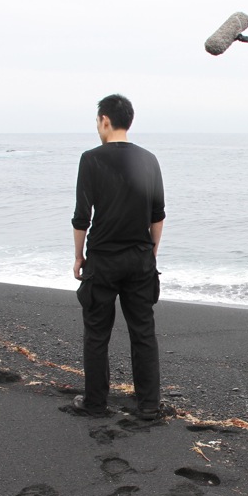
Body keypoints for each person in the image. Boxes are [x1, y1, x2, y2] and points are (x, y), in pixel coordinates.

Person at [67, 94, 166, 419]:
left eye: (98, 122)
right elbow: (157, 214)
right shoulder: (148, 159)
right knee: (143, 332)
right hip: (139, 259)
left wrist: (78, 256)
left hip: (103, 260)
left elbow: (82, 215)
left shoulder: (91, 159)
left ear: (105, 120)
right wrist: (151, 251)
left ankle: (96, 402)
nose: (98, 127)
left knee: (97, 333)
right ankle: (149, 405)